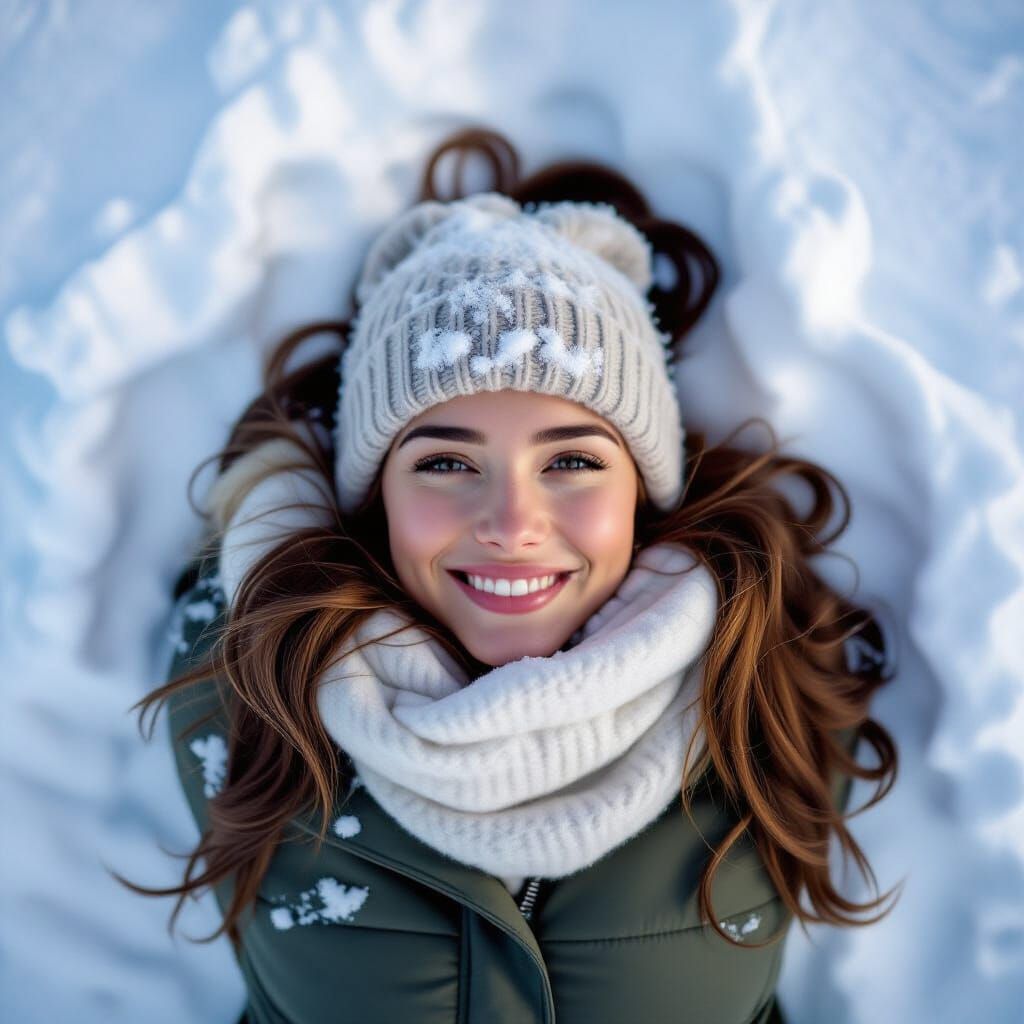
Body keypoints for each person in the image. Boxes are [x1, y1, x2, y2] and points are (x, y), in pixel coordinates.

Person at [121, 126, 900, 1023]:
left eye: (570, 462)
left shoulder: (764, 686)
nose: (512, 526)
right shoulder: (254, 691)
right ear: (376, 497)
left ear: (642, 493)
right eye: (447, 464)